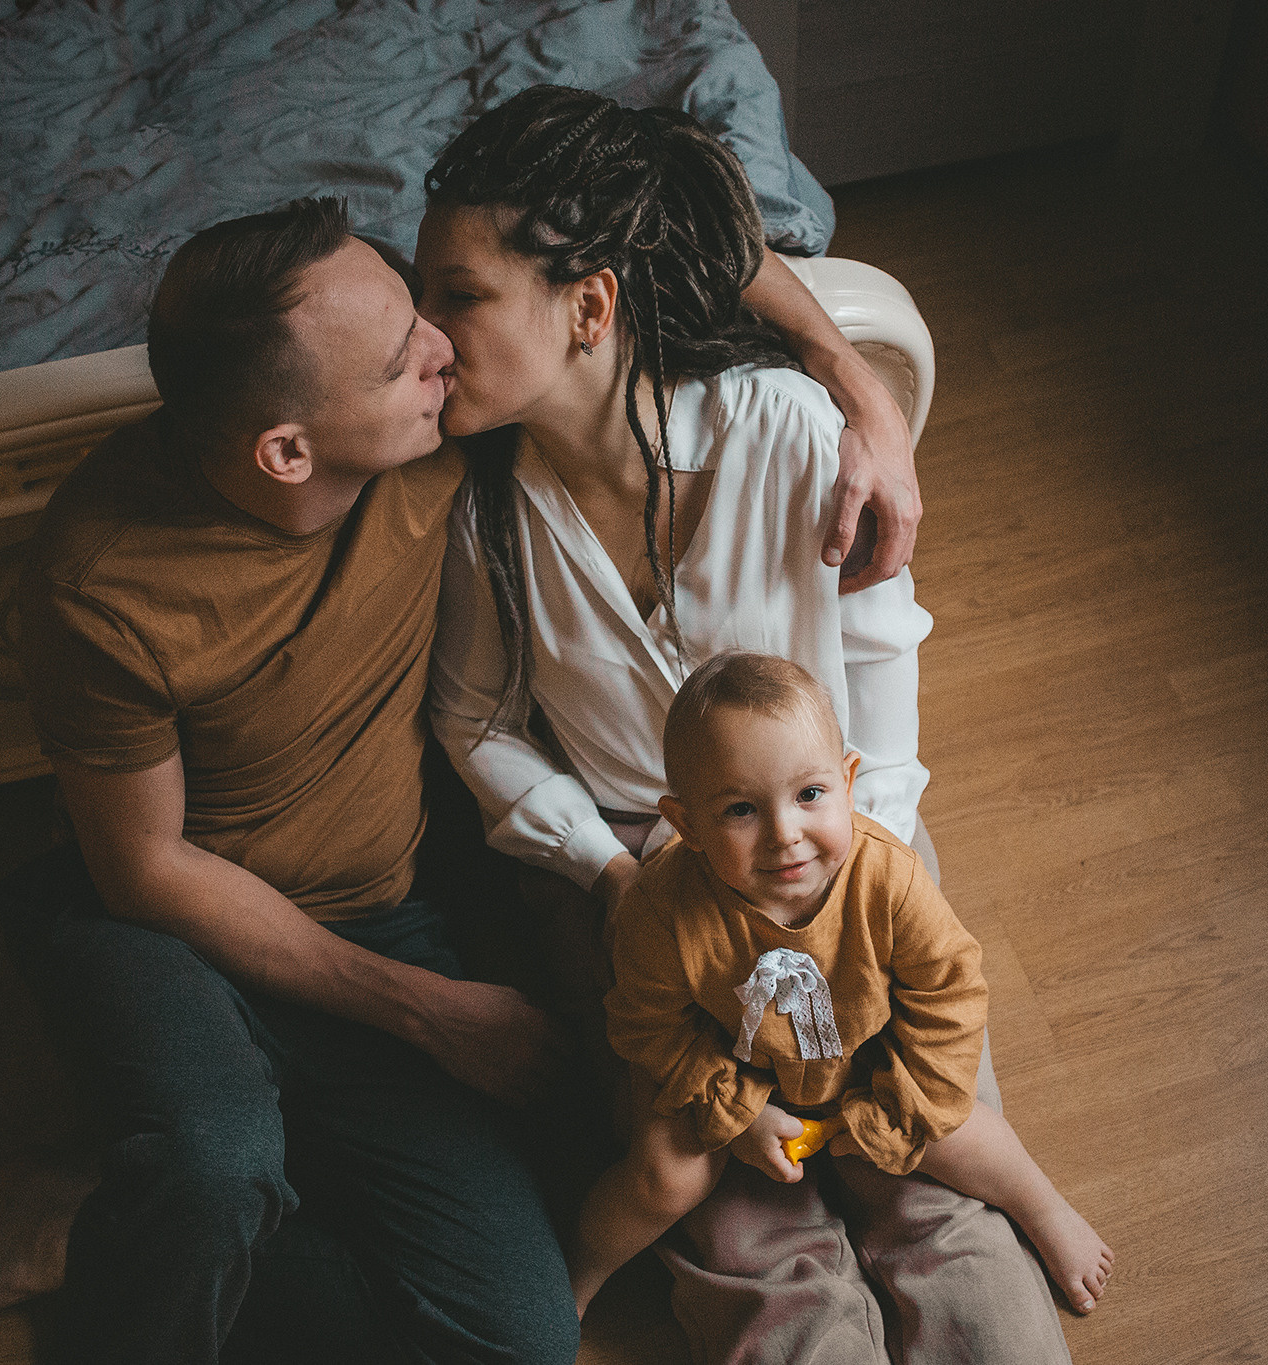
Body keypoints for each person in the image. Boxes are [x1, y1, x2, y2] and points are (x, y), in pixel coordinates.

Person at [0, 155, 926, 1360]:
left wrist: (857, 390)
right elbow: (144, 870)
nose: (442, 351)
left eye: (424, 305)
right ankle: (157, 1209)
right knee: (217, 1169)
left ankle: (105, 1216)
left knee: (520, 1338)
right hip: (167, 930)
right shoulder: (101, 583)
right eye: (401, 354)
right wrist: (431, 1016)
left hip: (376, 916)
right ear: (286, 452)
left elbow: (663, 211)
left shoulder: (441, 433)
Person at [416, 85, 1084, 1362]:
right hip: (639, 872)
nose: (425, 330)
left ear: (589, 307)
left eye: (459, 296)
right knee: (742, 1223)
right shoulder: (487, 514)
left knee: (925, 1180)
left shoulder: (785, 431)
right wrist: (608, 867)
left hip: (842, 840)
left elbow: (881, 684)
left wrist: (852, 887)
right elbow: (474, 720)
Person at [569, 652, 1113, 1319]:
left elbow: (952, 993)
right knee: (661, 1177)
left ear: (848, 782)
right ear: (686, 825)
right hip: (741, 1067)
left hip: (867, 1063)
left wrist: (904, 1101)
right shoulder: (662, 910)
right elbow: (645, 1025)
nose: (785, 835)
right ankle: (578, 1273)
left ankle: (1041, 1205)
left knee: (967, 1133)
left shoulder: (890, 878)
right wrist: (737, 1113)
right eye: (740, 809)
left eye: (810, 795)